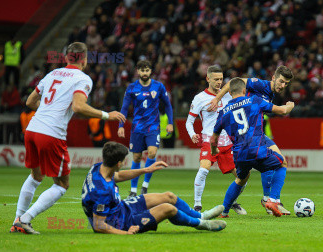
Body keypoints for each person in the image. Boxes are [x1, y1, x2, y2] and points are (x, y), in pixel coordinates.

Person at [10, 42, 126, 234]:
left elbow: (30, 101)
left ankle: (17, 219)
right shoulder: (83, 79)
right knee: (62, 184)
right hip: (51, 133)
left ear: (66, 58)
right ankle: (25, 219)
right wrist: (107, 115)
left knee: (35, 176)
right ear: (85, 60)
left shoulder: (52, 74)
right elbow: (78, 107)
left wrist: (48, 110)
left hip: (32, 130)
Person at [82, 142, 226, 234]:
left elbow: (117, 176)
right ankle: (203, 224)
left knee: (168, 196)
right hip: (122, 223)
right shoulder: (102, 191)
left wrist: (145, 170)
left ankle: (202, 215)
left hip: (122, 208)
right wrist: (125, 233)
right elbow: (99, 225)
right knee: (168, 208)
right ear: (118, 163)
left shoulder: (98, 168)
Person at [208, 65, 294, 215]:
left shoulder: (224, 113)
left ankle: (225, 210)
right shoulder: (258, 89)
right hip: (253, 137)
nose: (283, 85)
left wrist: (214, 151)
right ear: (273, 78)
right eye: (281, 81)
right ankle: (272, 200)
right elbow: (234, 82)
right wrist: (217, 98)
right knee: (281, 162)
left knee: (242, 177)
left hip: (242, 144)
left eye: (286, 83)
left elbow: (213, 140)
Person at [185, 65, 247, 215]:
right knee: (203, 169)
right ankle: (197, 205)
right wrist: (192, 133)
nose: (219, 82)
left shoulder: (227, 95)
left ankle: (232, 201)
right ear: (208, 79)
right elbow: (189, 121)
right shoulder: (200, 98)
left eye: (221, 79)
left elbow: (241, 84)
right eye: (216, 79)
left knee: (243, 177)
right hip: (209, 140)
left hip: (228, 143)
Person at [118, 60, 174, 198]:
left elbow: (168, 105)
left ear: (151, 71)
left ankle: (145, 186)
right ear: (138, 71)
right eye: (142, 70)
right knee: (136, 157)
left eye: (147, 70)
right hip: (137, 127)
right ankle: (133, 190)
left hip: (153, 127)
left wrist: (170, 122)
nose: (145, 73)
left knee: (152, 153)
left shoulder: (158, 86)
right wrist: (121, 126)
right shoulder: (131, 88)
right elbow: (124, 108)